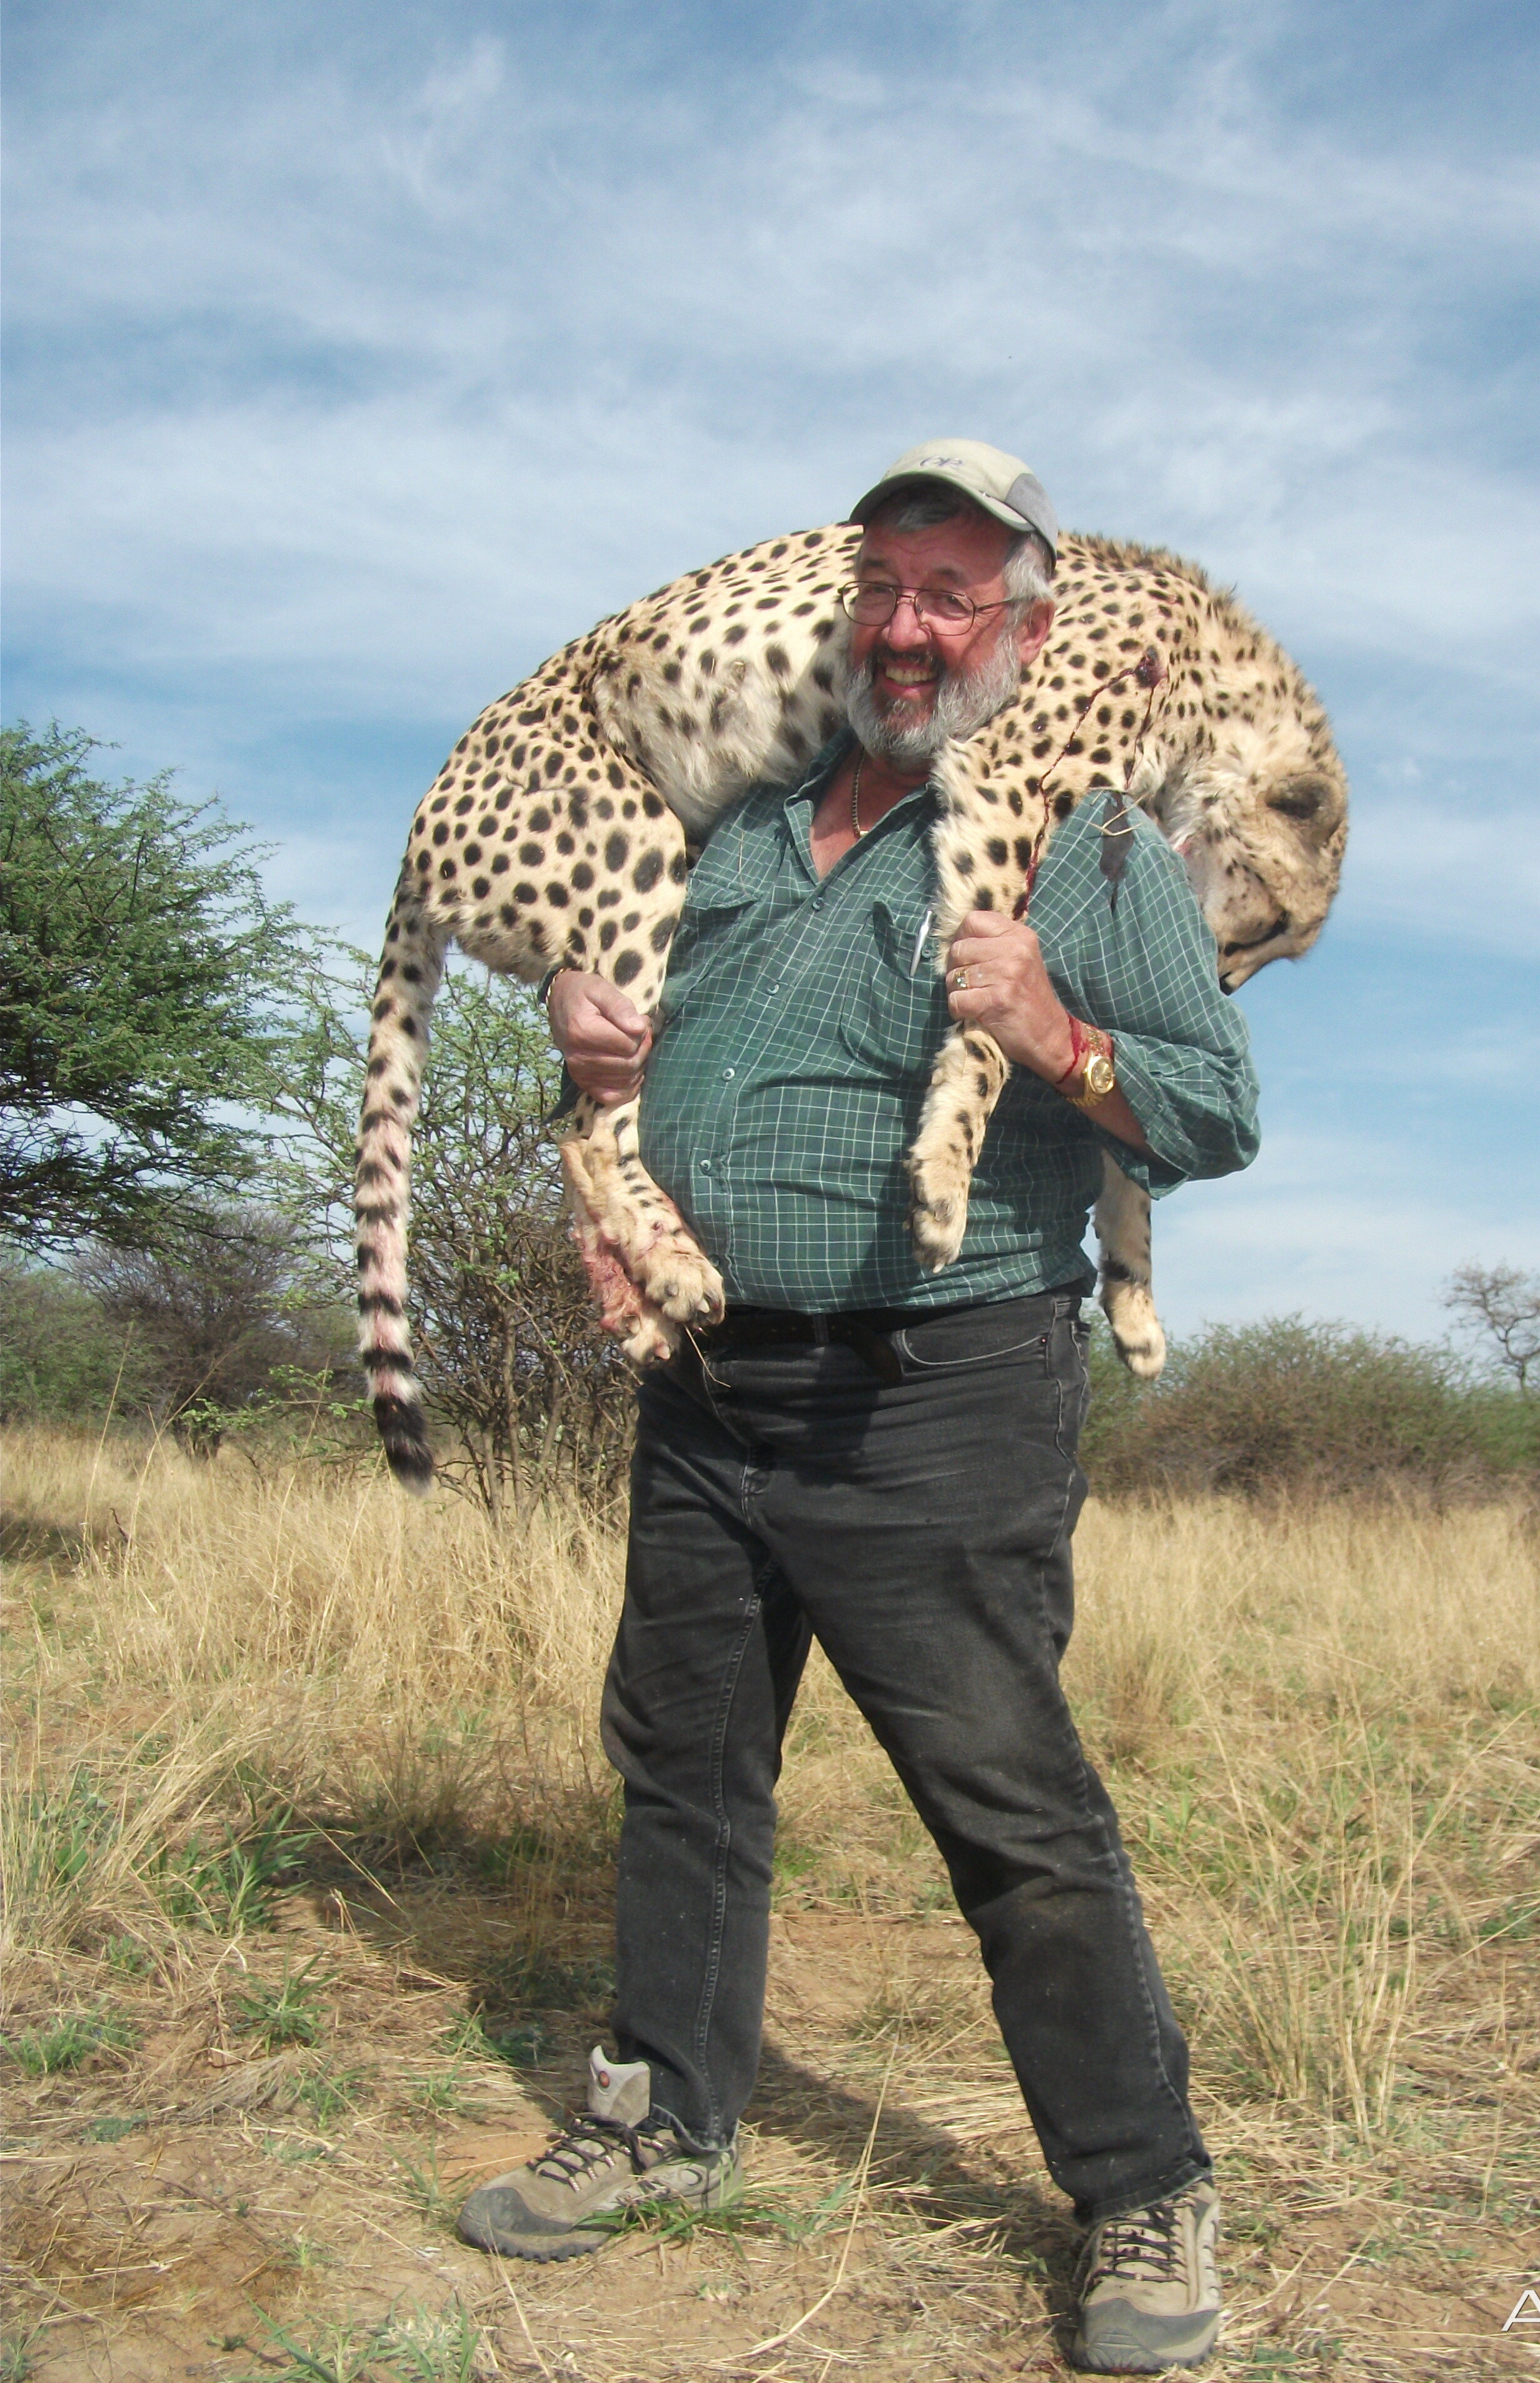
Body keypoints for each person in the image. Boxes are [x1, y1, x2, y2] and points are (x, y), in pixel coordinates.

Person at [457, 441, 1261, 2374]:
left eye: (955, 597)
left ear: (1027, 628)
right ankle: (661, 2115)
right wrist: (584, 1037)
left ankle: (1144, 2189)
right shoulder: (735, 830)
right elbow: (647, 1061)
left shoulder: (1094, 848)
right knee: (684, 1764)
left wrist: (1049, 1026)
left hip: (945, 1390)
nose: (911, 631)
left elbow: (1219, 1111)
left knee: (1010, 1805)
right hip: (717, 1379)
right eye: (887, 591)